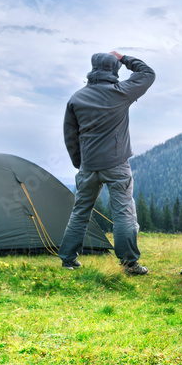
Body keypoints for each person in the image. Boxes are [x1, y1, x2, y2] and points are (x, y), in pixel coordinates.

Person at [57, 51, 156, 274]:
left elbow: (70, 136)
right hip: (117, 164)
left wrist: (80, 163)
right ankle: (129, 264)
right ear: (115, 69)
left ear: (93, 68)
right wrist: (124, 58)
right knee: (123, 212)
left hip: (88, 165)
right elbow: (147, 73)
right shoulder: (121, 93)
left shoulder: (76, 98)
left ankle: (67, 259)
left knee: (80, 211)